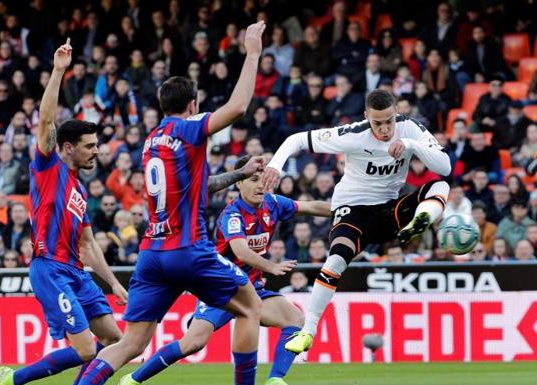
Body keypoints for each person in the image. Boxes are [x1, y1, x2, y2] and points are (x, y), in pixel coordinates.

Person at [77, 21, 268, 385]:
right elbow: (239, 106)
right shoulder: (187, 129)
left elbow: (195, 187)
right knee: (250, 305)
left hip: (152, 254)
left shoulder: (152, 141)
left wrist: (239, 175)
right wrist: (253, 52)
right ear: (193, 105)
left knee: (131, 343)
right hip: (189, 248)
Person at [262, 89, 451, 354]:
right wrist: (275, 165)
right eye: (378, 123)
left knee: (440, 186)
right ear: (366, 116)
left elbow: (445, 167)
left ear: (396, 113)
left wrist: (411, 145)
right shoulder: (352, 134)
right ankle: (308, 331)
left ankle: (418, 223)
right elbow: (296, 140)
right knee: (337, 259)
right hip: (353, 209)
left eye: (389, 121)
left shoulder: (409, 129)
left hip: (388, 211)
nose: (385, 129)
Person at [121, 155, 332, 385]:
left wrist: (349, 212)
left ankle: (275, 380)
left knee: (296, 320)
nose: (260, 185)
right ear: (239, 183)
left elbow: (312, 206)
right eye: (253, 179)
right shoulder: (232, 214)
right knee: (194, 342)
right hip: (220, 289)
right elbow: (240, 250)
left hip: (253, 290)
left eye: (263, 179)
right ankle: (133, 379)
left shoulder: (273, 204)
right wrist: (271, 266)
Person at [0, 39, 127, 385]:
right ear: (68, 148)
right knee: (85, 350)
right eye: (90, 146)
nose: (96, 152)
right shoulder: (48, 167)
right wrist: (58, 71)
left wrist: (113, 282)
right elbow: (47, 121)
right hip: (50, 269)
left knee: (116, 340)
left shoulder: (80, 191)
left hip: (77, 272)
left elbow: (88, 243)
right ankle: (13, 380)